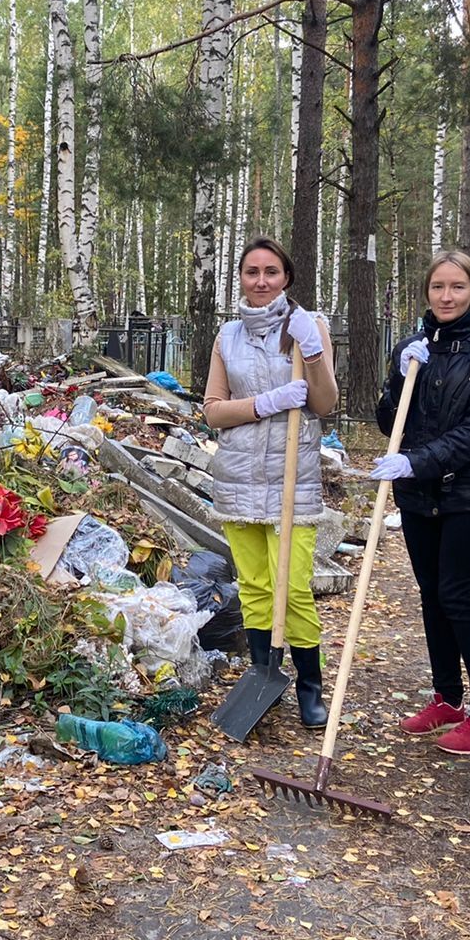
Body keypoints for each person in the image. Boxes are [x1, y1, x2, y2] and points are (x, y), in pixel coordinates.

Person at [373, 250, 470, 755]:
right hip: (419, 495)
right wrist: (399, 376)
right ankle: (448, 699)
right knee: (431, 594)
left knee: (458, 595)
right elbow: (391, 422)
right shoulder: (412, 346)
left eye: (457, 287)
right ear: (427, 293)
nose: (447, 296)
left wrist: (418, 462)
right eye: (438, 287)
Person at [203, 237, 337, 728]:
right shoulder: (227, 336)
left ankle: (309, 687)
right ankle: (264, 674)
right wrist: (266, 402)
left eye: (271, 272)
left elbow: (324, 404)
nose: (261, 281)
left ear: (287, 277)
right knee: (256, 586)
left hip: (291, 482)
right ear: (240, 278)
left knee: (293, 587)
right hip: (238, 480)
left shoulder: (308, 327)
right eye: (252, 272)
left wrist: (315, 352)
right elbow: (213, 409)